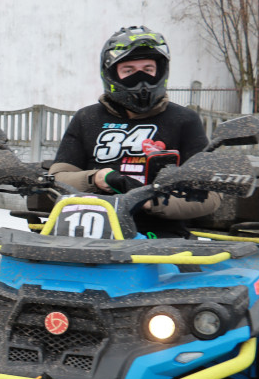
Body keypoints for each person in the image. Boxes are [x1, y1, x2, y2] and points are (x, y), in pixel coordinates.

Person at [49, 25, 219, 237]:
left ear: (160, 72)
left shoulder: (184, 120)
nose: (140, 80)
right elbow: (55, 181)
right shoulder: (87, 118)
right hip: (85, 233)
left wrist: (148, 200)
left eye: (148, 70)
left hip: (162, 237)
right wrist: (96, 179)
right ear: (112, 74)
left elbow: (211, 195)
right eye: (128, 71)